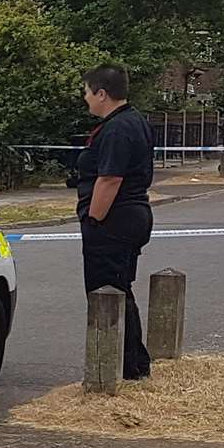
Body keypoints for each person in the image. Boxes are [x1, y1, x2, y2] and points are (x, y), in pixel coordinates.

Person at [75, 64, 154, 380]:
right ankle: (132, 363)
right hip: (130, 218)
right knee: (121, 290)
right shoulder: (133, 121)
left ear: (102, 93)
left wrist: (93, 219)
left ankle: (121, 367)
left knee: (105, 293)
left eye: (86, 92)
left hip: (113, 221)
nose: (85, 99)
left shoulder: (118, 128)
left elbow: (109, 179)